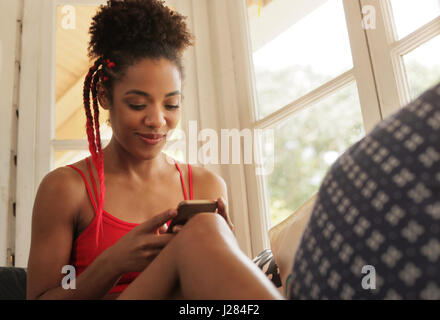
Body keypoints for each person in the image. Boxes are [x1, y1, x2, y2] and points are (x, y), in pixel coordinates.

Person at [26, 0, 234, 300]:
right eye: (137, 104)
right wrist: (112, 264)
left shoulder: (205, 186)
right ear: (104, 95)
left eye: (171, 104)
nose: (157, 120)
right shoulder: (66, 189)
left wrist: (226, 252)